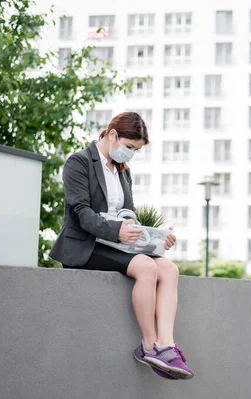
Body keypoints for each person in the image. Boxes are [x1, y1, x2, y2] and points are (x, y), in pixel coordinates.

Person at [49, 112, 194, 380]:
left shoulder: (123, 172)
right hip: (85, 245)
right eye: (130, 147)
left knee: (169, 270)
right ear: (112, 135)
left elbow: (129, 217)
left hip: (116, 244)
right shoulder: (78, 162)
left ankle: (166, 345)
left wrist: (157, 237)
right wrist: (117, 232)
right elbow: (82, 214)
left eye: (136, 151)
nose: (131, 155)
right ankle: (148, 347)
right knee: (146, 268)